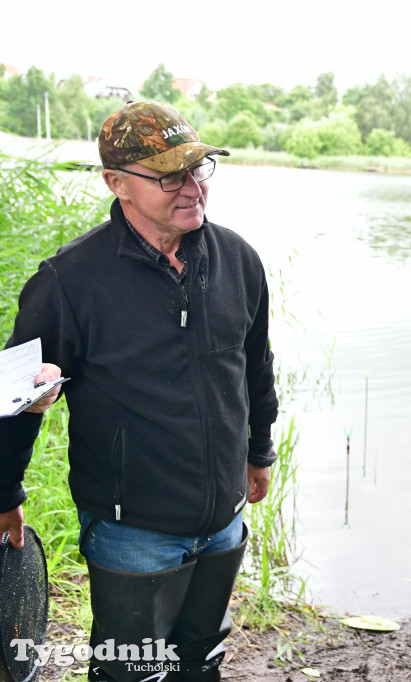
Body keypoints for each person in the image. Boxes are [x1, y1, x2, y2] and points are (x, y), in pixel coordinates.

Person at [0, 100, 279, 681]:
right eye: (170, 175)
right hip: (132, 531)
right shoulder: (67, 282)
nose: (192, 189)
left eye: (199, 169)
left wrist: (260, 453)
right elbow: (15, 401)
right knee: (128, 672)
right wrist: (4, 490)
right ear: (116, 182)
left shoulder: (239, 261)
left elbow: (256, 366)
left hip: (224, 520)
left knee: (200, 662)